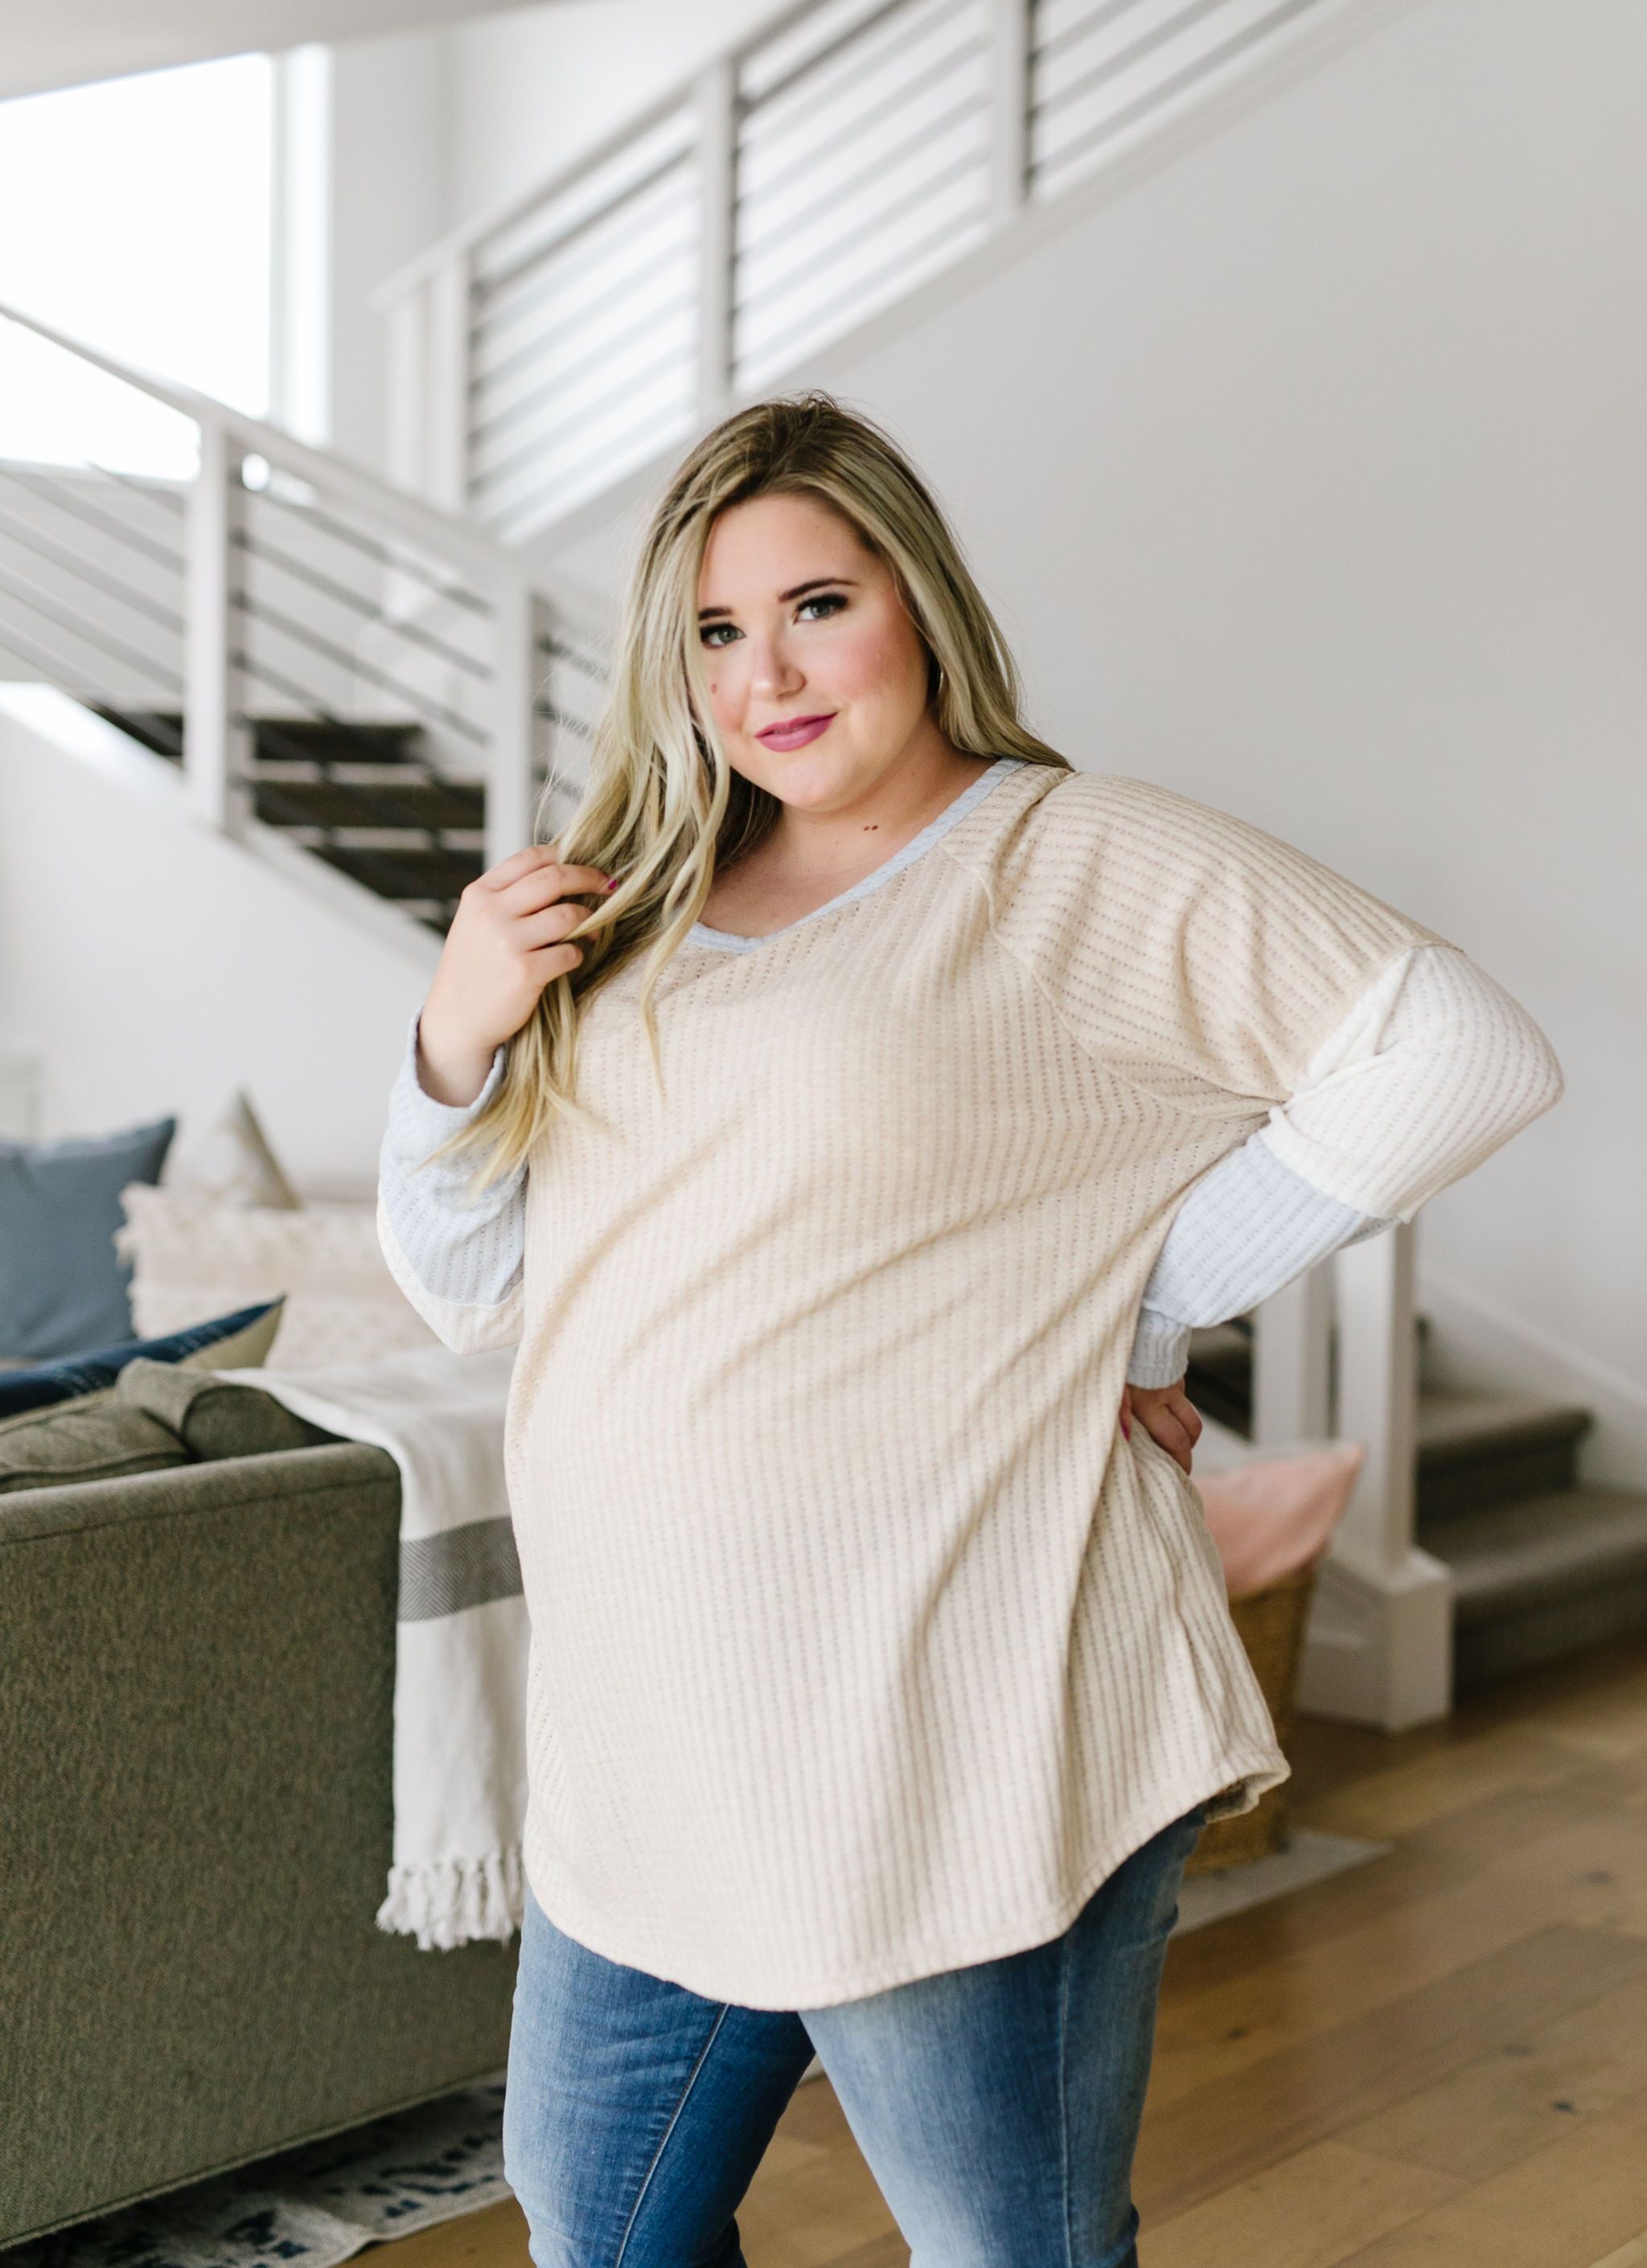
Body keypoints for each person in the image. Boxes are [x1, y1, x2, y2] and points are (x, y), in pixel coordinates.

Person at [378, 393, 1561, 2267]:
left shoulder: (1067, 862)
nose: (763, 673)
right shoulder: (642, 902)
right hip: (648, 1744)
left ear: (916, 602)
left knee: (1006, 2250)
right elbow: (475, 1282)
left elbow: (1458, 1053)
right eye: (711, 630)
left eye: (815, 605)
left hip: (936, 1718)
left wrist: (1152, 1303)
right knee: (598, 2233)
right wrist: (456, 1037)